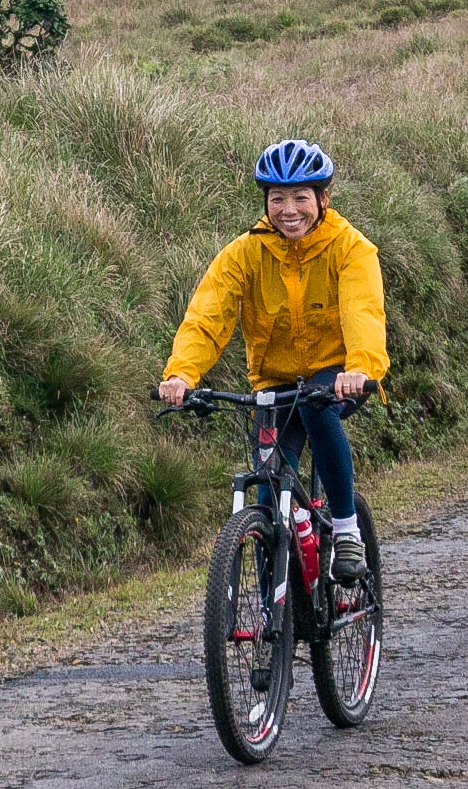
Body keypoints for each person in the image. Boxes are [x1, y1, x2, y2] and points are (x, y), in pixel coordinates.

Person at [159, 137, 388, 582]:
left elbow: (363, 309)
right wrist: (181, 374)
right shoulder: (245, 253)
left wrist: (359, 368)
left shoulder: (350, 249)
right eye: (278, 198)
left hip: (338, 374)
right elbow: (208, 315)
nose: (290, 210)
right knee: (267, 492)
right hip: (273, 382)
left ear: (322, 199)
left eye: (301, 197)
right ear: (266, 202)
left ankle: (344, 529)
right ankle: (271, 616)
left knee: (316, 412)